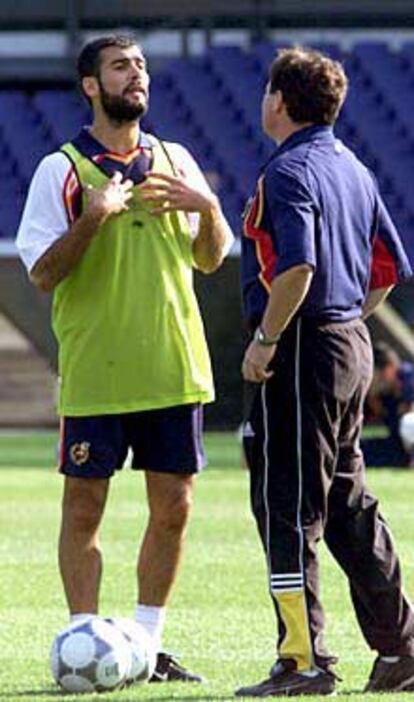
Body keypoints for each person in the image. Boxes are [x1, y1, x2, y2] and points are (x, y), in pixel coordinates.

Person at [16, 35, 233, 683]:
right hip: (97, 373)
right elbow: (42, 274)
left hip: (174, 366)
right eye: (120, 66)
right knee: (84, 511)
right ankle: (84, 637)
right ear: (91, 85)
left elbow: (210, 257)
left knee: (175, 510)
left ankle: (147, 645)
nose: (135, 75)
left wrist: (210, 208)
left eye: (140, 66)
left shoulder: (176, 159)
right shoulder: (60, 169)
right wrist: (95, 217)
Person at [237, 47, 414, 697]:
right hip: (348, 342)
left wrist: (266, 340)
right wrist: (347, 324)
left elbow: (297, 268)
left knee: (289, 507)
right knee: (347, 502)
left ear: (280, 102)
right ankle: (400, 646)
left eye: (266, 93)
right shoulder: (354, 169)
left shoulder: (287, 172)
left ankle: (302, 660)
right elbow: (388, 271)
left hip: (302, 346)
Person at [363, 341, 414, 466]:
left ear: (389, 368)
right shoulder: (382, 394)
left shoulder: (408, 376)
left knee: (408, 422)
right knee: (362, 449)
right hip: (399, 445)